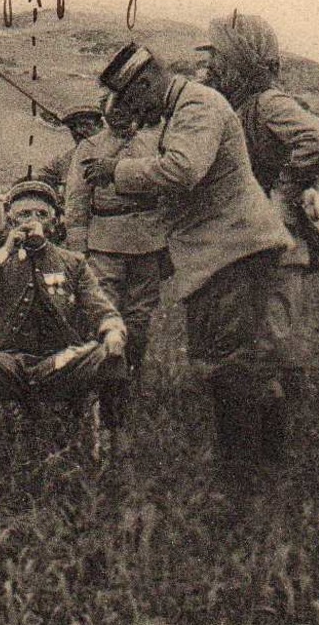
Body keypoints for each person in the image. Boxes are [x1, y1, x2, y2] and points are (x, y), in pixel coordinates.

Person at [82, 43, 294, 477]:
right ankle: (266, 468)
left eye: (131, 99)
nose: (131, 111)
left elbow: (182, 171)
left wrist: (115, 173)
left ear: (147, 82)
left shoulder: (197, 105)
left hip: (233, 253)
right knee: (246, 360)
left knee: (229, 363)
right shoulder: (178, 111)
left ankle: (242, 473)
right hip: (229, 253)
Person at [0, 179, 128, 457]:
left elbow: (101, 309)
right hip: (7, 364)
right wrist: (4, 252)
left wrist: (113, 332)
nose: (33, 221)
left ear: (54, 221)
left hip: (59, 364)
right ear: (10, 220)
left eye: (41, 214)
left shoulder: (73, 262)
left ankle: (116, 451)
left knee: (112, 357)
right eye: (24, 215)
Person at [200, 14, 319, 397]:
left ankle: (283, 431)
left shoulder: (268, 103)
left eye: (220, 57)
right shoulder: (233, 105)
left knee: (273, 332)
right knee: (251, 333)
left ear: (242, 59)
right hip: (246, 235)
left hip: (274, 234)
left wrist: (285, 186)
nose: (213, 67)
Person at [63, 92, 165, 383]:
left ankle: (132, 374)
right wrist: (78, 249)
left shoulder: (154, 144)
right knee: (104, 311)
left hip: (148, 240)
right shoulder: (89, 147)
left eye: (126, 105)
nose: (119, 112)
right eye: (112, 107)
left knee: (140, 316)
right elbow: (77, 201)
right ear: (103, 111)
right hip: (104, 243)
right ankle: (102, 379)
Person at [37, 104, 105, 196]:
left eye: (85, 124)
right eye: (73, 127)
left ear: (100, 125)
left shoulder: (117, 151)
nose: (79, 131)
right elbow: (39, 178)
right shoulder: (63, 161)